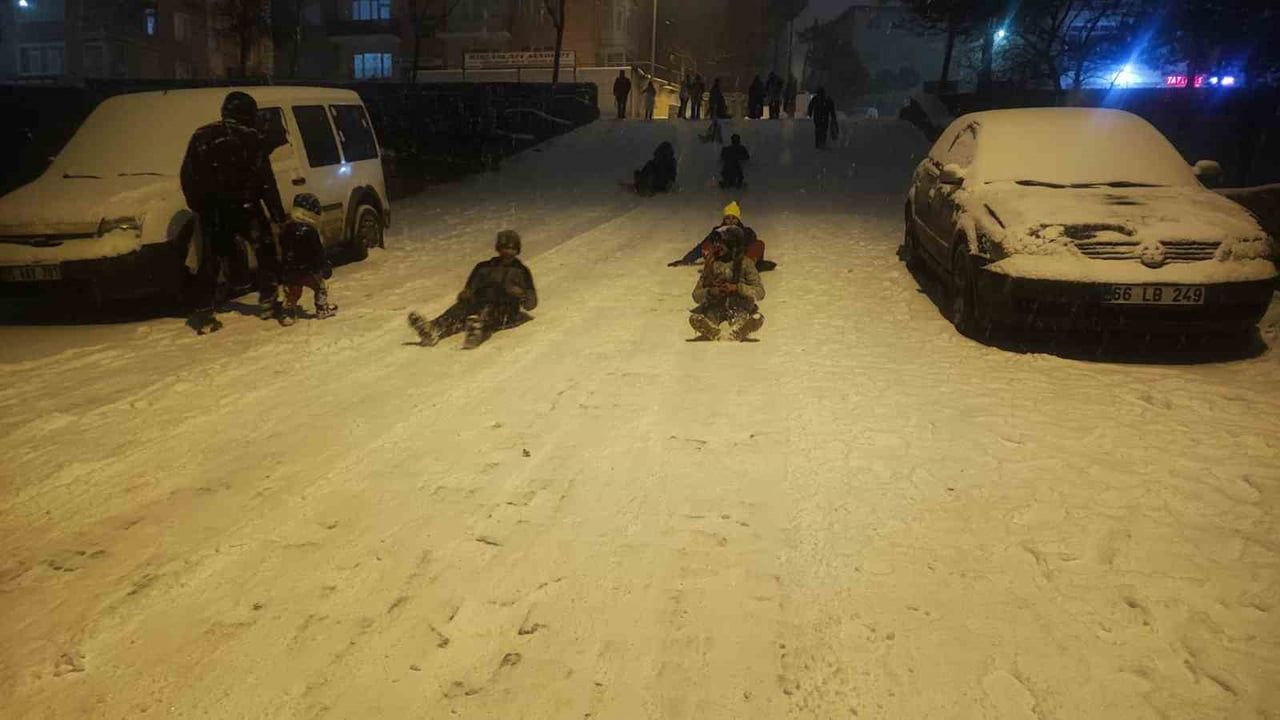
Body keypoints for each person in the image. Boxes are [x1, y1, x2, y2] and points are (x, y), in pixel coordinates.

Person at [180, 90, 288, 335]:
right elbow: (266, 182)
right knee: (265, 250)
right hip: (246, 207)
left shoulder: (201, 136)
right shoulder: (252, 139)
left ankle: (205, 312)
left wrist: (200, 205)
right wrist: (277, 215)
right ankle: (269, 299)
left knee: (210, 259)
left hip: (214, 210)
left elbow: (188, 175)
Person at [408, 230, 538, 349]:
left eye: (512, 249)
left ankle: (478, 330)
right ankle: (434, 329)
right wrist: (466, 294)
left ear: (517, 251)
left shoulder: (521, 271)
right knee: (462, 308)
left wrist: (520, 293)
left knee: (493, 313)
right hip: (480, 303)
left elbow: (531, 303)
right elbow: (470, 289)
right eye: (505, 248)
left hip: (506, 307)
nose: (508, 253)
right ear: (498, 249)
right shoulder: (483, 267)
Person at [688, 225, 765, 342]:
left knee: (752, 317)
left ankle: (738, 330)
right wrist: (710, 291)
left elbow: (759, 292)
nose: (717, 247)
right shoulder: (712, 264)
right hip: (715, 307)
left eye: (721, 243)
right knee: (696, 319)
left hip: (739, 306)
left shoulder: (746, 264)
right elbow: (696, 295)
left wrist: (737, 288)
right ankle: (713, 331)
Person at [276, 193, 337, 327]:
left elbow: (284, 249)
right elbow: (317, 251)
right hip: (308, 270)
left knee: (293, 292)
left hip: (291, 271)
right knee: (320, 286)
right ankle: (322, 308)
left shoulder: (287, 229)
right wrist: (323, 265)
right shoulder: (310, 230)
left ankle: (287, 312)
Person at [668, 201, 776, 272]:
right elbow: (701, 247)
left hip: (741, 261)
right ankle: (718, 267)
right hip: (722, 261)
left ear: (738, 219)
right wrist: (685, 260)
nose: (731, 221)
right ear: (724, 219)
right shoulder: (717, 231)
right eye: (728, 218)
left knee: (759, 244)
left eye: (733, 218)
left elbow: (754, 250)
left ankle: (746, 268)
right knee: (709, 244)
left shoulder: (747, 231)